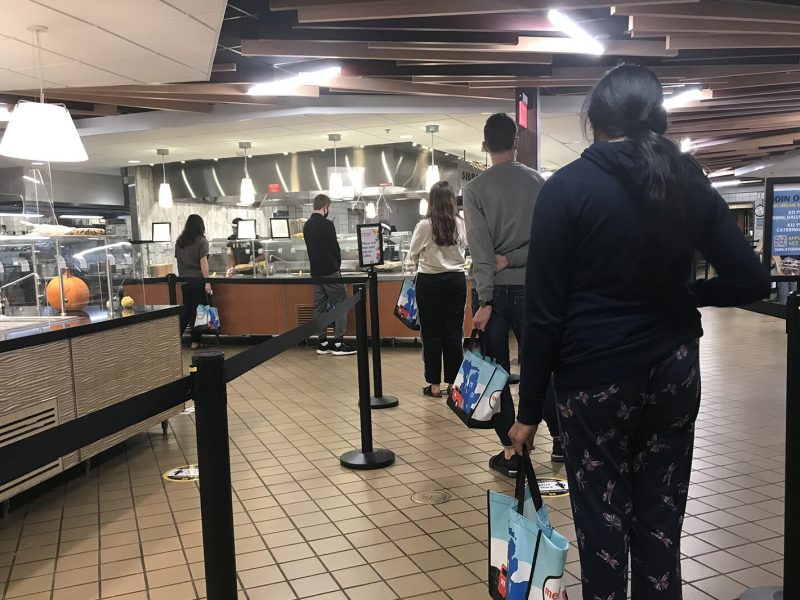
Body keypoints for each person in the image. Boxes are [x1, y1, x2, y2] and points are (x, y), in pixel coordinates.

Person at [510, 65, 770, 599]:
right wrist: (690, 296)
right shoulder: (686, 180)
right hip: (673, 370)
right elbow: (751, 278)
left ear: (593, 122)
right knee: (660, 525)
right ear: (657, 117)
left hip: (594, 381)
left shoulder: (566, 190)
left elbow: (544, 313)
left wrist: (529, 411)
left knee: (603, 527)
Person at [463, 112, 562, 476]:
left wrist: (485, 299)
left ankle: (511, 451)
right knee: (541, 368)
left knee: (496, 373)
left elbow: (479, 248)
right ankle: (561, 440)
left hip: (495, 295)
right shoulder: (540, 183)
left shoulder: (475, 190)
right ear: (516, 142)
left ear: (485, 146)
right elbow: (551, 242)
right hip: (533, 291)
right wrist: (517, 258)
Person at [409, 181, 467, 398]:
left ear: (431, 202)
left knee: (431, 334)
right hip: (455, 280)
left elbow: (413, 253)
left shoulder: (424, 225)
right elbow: (465, 248)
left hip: (430, 282)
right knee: (453, 333)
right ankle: (453, 383)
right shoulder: (460, 223)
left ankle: (434, 385)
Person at [303, 194, 356, 356]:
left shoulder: (307, 226)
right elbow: (334, 248)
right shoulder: (327, 224)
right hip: (330, 272)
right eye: (329, 208)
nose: (328, 211)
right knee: (341, 304)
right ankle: (338, 343)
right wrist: (336, 267)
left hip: (316, 273)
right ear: (325, 207)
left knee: (319, 308)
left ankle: (323, 343)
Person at [175, 214, 212, 350]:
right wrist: (207, 282)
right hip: (197, 280)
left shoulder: (180, 241)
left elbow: (179, 262)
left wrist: (183, 277)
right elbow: (203, 263)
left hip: (185, 281)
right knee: (198, 311)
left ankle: (175, 338)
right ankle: (195, 341)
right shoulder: (202, 241)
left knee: (186, 310)